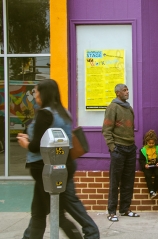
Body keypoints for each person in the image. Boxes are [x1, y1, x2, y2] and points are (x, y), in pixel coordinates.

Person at [18, 79, 98, 239]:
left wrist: (25, 142)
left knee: (57, 213)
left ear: (44, 93)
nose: (35, 96)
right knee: (39, 211)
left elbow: (36, 146)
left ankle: (90, 234)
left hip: (45, 169)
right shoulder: (63, 112)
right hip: (63, 165)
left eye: (37, 92)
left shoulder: (44, 113)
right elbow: (50, 138)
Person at [102, 83, 139, 222]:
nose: (127, 92)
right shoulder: (113, 107)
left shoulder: (129, 108)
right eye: (124, 90)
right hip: (118, 149)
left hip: (130, 148)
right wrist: (112, 147)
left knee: (128, 181)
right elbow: (106, 129)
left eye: (127, 89)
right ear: (117, 93)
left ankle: (125, 209)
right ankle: (111, 211)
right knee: (115, 181)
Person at [139, 129, 158, 198]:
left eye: (153, 143)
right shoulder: (143, 149)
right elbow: (141, 160)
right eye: (149, 143)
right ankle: (151, 190)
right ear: (146, 142)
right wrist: (144, 165)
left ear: (155, 142)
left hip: (156, 165)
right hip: (148, 166)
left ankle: (154, 190)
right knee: (147, 175)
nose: (151, 144)